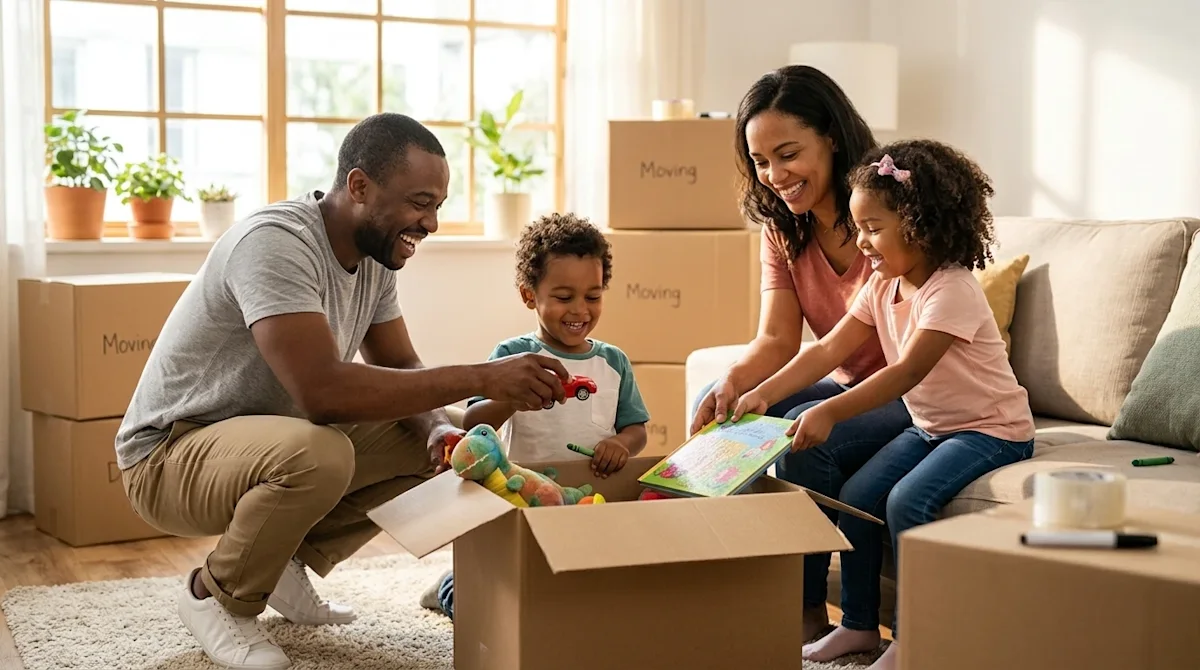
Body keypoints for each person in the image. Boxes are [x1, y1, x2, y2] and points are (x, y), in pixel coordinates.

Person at [115, 113, 575, 670]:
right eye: (419, 202)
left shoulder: (375, 257)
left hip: (259, 441)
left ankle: (283, 562)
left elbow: (399, 363)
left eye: (438, 206)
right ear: (359, 187)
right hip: (168, 455)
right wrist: (482, 375)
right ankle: (214, 596)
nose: (430, 223)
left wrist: (441, 430)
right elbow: (322, 393)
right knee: (322, 453)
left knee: (429, 442)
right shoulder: (275, 244)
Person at [729, 139, 1037, 670]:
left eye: (873, 229)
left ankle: (916, 636)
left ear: (919, 224)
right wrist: (763, 392)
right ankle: (857, 625)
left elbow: (905, 373)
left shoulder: (951, 290)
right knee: (858, 495)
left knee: (903, 502)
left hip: (991, 431)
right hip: (931, 426)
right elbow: (827, 350)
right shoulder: (881, 284)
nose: (863, 244)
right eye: (858, 228)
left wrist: (828, 411)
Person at [689, 64, 913, 641]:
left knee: (795, 429)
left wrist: (771, 396)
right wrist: (734, 385)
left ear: (832, 137)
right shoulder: (782, 229)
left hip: (910, 391)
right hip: (846, 383)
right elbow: (777, 339)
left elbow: (869, 342)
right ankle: (725, 581)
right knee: (724, 411)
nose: (775, 176)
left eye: (788, 154)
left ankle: (807, 607)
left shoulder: (884, 216)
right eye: (761, 162)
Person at [420, 212, 650, 618]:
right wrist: (512, 397)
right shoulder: (511, 357)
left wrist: (621, 443)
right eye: (564, 297)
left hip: (585, 499)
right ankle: (450, 587)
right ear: (530, 296)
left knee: (576, 593)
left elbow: (637, 429)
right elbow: (475, 425)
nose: (580, 310)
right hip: (517, 495)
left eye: (593, 296)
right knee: (499, 595)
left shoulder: (614, 362)